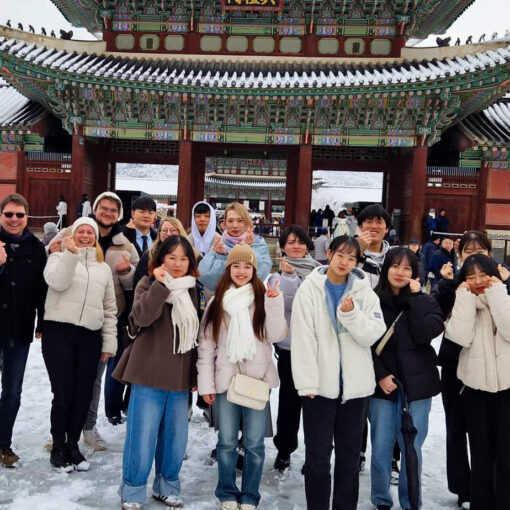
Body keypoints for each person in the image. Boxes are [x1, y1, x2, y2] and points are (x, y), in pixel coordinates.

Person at [291, 235, 386, 510]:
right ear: (329, 254)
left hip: (355, 389)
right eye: (340, 255)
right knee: (318, 458)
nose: (345, 262)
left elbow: (374, 334)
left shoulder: (363, 290)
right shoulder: (310, 289)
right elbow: (303, 339)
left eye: (352, 258)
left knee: (349, 458)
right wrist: (307, 382)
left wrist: (352, 315)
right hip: (319, 388)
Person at [114, 236, 202, 510]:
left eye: (183, 258)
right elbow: (141, 318)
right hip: (148, 372)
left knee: (175, 439)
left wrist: (197, 375)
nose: (177, 264)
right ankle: (133, 489)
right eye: (172, 257)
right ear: (161, 258)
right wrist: (161, 285)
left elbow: (197, 333)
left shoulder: (193, 289)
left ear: (190, 263)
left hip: (179, 375)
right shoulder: (148, 283)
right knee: (142, 436)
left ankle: (167, 487)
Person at [198, 244, 287, 510]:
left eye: (247, 266)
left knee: (254, 444)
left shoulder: (264, 296)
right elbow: (206, 346)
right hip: (226, 382)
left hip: (257, 382)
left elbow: (277, 335)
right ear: (228, 269)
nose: (241, 271)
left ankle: (249, 495)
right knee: (226, 442)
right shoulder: (217, 301)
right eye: (236, 266)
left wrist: (274, 303)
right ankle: (226, 491)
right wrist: (206, 384)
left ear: (254, 270)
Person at [49, 192, 139, 445]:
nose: (108, 213)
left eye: (113, 210)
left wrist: (125, 272)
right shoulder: (73, 231)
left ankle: (87, 427)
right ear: (95, 209)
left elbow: (137, 279)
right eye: (104, 208)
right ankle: (61, 431)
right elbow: (51, 257)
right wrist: (50, 250)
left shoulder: (125, 243)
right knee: (64, 380)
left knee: (94, 380)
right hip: (68, 319)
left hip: (103, 319)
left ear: (118, 214)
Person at [434, 231, 510, 510]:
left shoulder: (500, 284)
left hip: (502, 375)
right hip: (461, 369)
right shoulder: (456, 286)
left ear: (490, 255)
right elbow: (447, 325)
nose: (474, 255)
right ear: (459, 255)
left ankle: (496, 492)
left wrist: (501, 286)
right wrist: (448, 287)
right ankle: (465, 488)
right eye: (468, 251)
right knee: (459, 432)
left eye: (481, 250)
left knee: (498, 441)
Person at [369, 248, 443, 510]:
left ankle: (411, 502)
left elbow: (427, 333)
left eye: (407, 268)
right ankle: (380, 500)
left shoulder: (425, 302)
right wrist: (379, 375)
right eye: (395, 266)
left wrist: (417, 298)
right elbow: (363, 342)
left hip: (418, 387)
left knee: (411, 449)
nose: (400, 273)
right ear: (386, 268)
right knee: (380, 447)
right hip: (383, 387)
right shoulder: (372, 301)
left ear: (415, 274)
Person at [43, 217, 117, 471]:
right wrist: (70, 255)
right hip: (59, 332)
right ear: (72, 234)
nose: (85, 236)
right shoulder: (57, 258)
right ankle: (58, 445)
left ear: (96, 237)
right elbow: (57, 282)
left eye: (90, 232)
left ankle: (73, 444)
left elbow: (109, 308)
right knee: (63, 392)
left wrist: (109, 342)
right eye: (81, 231)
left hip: (90, 335)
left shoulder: (103, 268)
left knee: (83, 393)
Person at [267, 226, 320, 473]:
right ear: (283, 247)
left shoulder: (320, 272)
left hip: (315, 348)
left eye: (300, 242)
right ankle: (284, 449)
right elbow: (287, 305)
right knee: (289, 403)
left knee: (315, 404)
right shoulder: (276, 276)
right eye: (290, 243)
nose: (296, 246)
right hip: (289, 349)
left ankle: (315, 454)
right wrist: (289, 279)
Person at [0, 194, 47, 468]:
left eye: (19, 214)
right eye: (9, 214)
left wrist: (41, 322)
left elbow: (42, 290)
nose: (14, 219)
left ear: (27, 217)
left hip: (19, 327)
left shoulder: (35, 247)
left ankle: (4, 443)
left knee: (13, 390)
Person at [198, 202, 272, 292]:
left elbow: (261, 274)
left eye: (240, 221)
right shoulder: (219, 244)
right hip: (223, 300)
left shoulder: (258, 244)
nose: (235, 225)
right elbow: (204, 275)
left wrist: (249, 249)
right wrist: (218, 254)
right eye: (230, 221)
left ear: (247, 222)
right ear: (224, 224)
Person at [134, 217, 188, 290]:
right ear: (159, 234)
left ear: (180, 232)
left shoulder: (190, 253)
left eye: (173, 230)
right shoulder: (150, 255)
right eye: (164, 230)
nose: (168, 234)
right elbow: (138, 283)